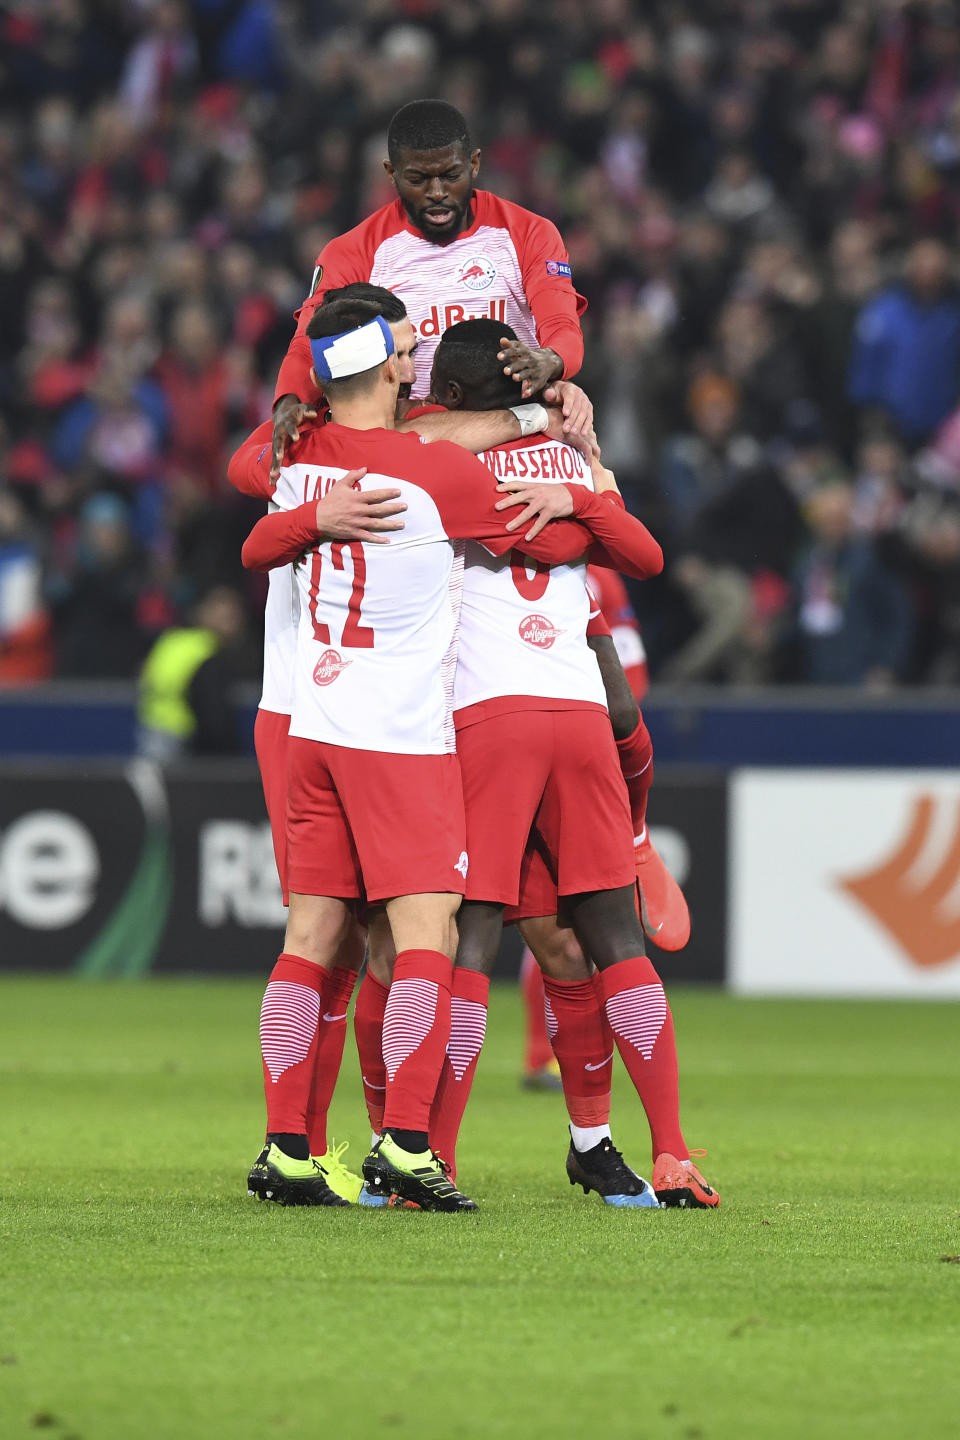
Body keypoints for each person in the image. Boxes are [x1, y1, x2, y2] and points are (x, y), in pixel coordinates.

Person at [239, 296, 659, 1211]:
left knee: (311, 937)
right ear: (391, 370)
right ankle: (409, 1146)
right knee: (425, 936)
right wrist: (576, 478)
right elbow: (571, 544)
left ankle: (285, 1151)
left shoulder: (297, 458)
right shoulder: (431, 473)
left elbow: (255, 541)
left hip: (311, 723)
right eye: (403, 350)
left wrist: (316, 519)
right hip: (400, 738)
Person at [416, 320, 718, 1209]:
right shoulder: (572, 455)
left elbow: (423, 453)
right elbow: (647, 557)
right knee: (602, 941)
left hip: (489, 719)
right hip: (581, 718)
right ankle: (666, 1153)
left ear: (457, 396)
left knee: (470, 937)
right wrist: (583, 500)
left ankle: (436, 1159)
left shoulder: (443, 461)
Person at [269, 97, 592, 477]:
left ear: (473, 163)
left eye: (450, 176)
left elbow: (562, 326)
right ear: (392, 173)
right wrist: (288, 402)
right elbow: (310, 340)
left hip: (520, 449)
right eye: (418, 179)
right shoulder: (353, 252)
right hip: (414, 452)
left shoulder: (529, 233)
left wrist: (551, 360)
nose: (437, 192)